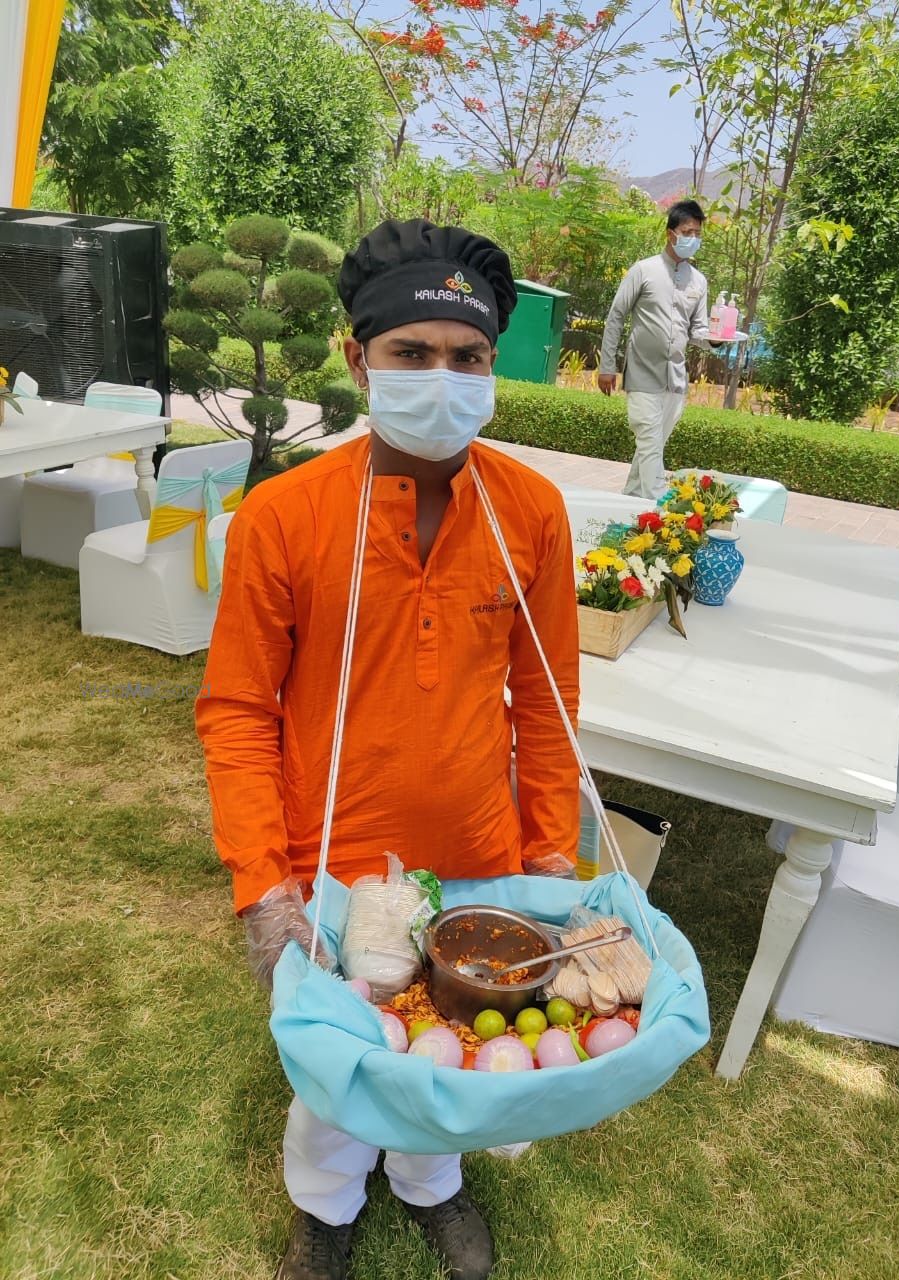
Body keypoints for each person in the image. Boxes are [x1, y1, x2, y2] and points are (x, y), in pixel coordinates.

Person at [195, 219, 582, 1280]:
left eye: (468, 358)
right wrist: (265, 889)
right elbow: (235, 710)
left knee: (454, 1046)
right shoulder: (285, 516)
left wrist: (549, 854)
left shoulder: (533, 512)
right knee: (342, 1067)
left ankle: (431, 1182)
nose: (443, 377)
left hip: (476, 849)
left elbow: (548, 707)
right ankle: (325, 1204)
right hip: (334, 863)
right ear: (358, 355)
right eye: (413, 353)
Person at [598, 198, 719, 499]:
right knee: (650, 443)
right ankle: (660, 510)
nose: (693, 239)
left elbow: (698, 330)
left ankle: (629, 504)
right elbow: (616, 316)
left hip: (675, 380)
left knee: (650, 449)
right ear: (671, 233)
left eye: (698, 234)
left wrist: (715, 339)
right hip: (642, 374)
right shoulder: (644, 270)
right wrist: (607, 366)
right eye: (687, 232)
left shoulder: (699, 282)